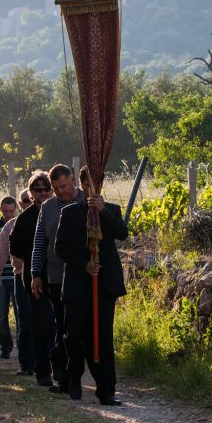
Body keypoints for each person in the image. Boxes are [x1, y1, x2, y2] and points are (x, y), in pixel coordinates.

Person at [54, 167, 129, 405]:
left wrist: (102, 210)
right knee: (74, 334)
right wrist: (84, 264)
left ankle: (106, 389)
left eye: (97, 184)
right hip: (78, 283)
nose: (92, 188)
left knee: (102, 337)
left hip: (104, 285)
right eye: (88, 184)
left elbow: (122, 233)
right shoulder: (69, 213)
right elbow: (61, 248)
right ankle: (73, 377)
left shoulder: (112, 210)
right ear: (83, 184)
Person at [31, 164, 84, 390]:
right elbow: (40, 242)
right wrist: (35, 273)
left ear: (73, 180)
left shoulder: (86, 202)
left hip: (82, 274)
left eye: (63, 186)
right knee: (61, 326)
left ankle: (79, 374)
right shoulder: (48, 207)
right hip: (55, 276)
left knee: (78, 327)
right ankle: (64, 377)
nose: (60, 191)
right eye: (56, 187)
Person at [8, 171, 54, 383]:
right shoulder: (25, 218)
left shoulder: (60, 211)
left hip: (58, 274)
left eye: (47, 188)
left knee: (58, 323)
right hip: (35, 276)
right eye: (38, 189)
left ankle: (61, 368)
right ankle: (42, 370)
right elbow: (15, 249)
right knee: (40, 324)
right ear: (31, 192)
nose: (43, 193)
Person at [0, 197, 25, 363]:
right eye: (5, 211)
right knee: (1, 315)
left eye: (11, 211)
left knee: (20, 314)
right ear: (1, 209)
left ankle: (22, 348)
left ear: (15, 209)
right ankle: (6, 347)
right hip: (1, 277)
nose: (9, 214)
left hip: (17, 276)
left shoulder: (21, 224)